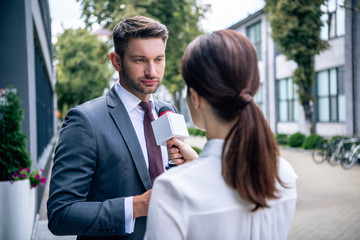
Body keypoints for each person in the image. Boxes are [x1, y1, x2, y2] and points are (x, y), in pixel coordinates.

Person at [144, 30, 298, 240]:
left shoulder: (172, 190)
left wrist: (196, 168)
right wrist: (197, 163)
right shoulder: (283, 173)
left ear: (196, 98)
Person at [47, 16, 178, 240]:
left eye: (158, 59)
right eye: (140, 60)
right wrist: (137, 206)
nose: (152, 71)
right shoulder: (85, 121)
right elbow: (61, 214)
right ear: (116, 61)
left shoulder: (168, 110)